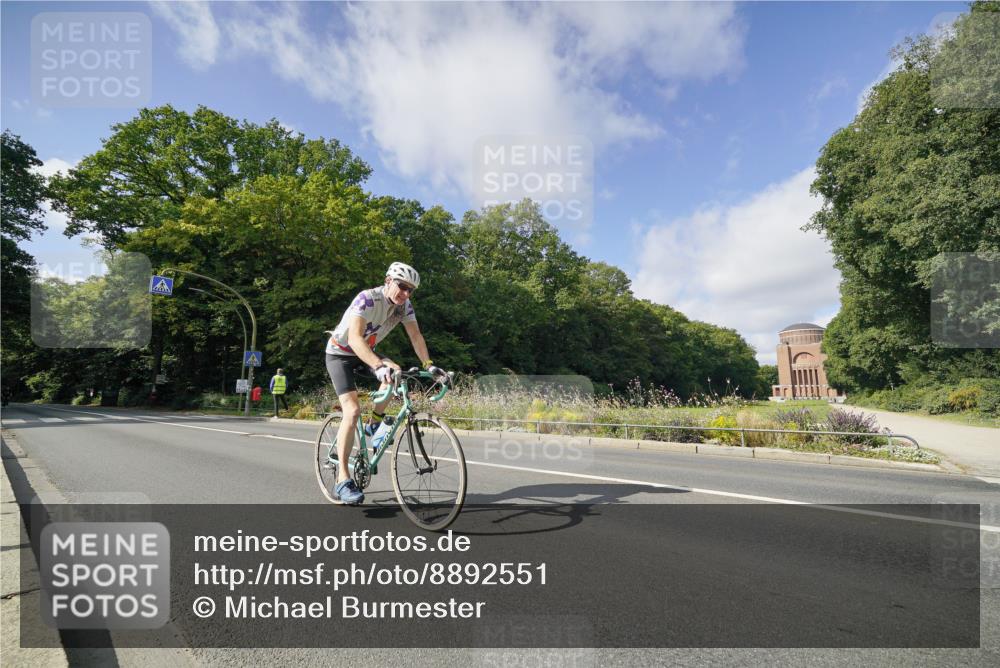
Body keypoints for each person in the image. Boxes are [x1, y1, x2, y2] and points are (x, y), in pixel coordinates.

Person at [324, 262, 449, 505]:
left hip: (366, 352)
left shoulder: (404, 307)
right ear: (388, 281)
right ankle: (342, 479)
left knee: (397, 372)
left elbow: (415, 336)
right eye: (402, 286)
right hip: (341, 354)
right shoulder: (367, 299)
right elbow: (354, 338)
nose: (406, 293)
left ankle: (373, 425)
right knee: (352, 410)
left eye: (411, 290)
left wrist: (429, 366)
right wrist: (378, 366)